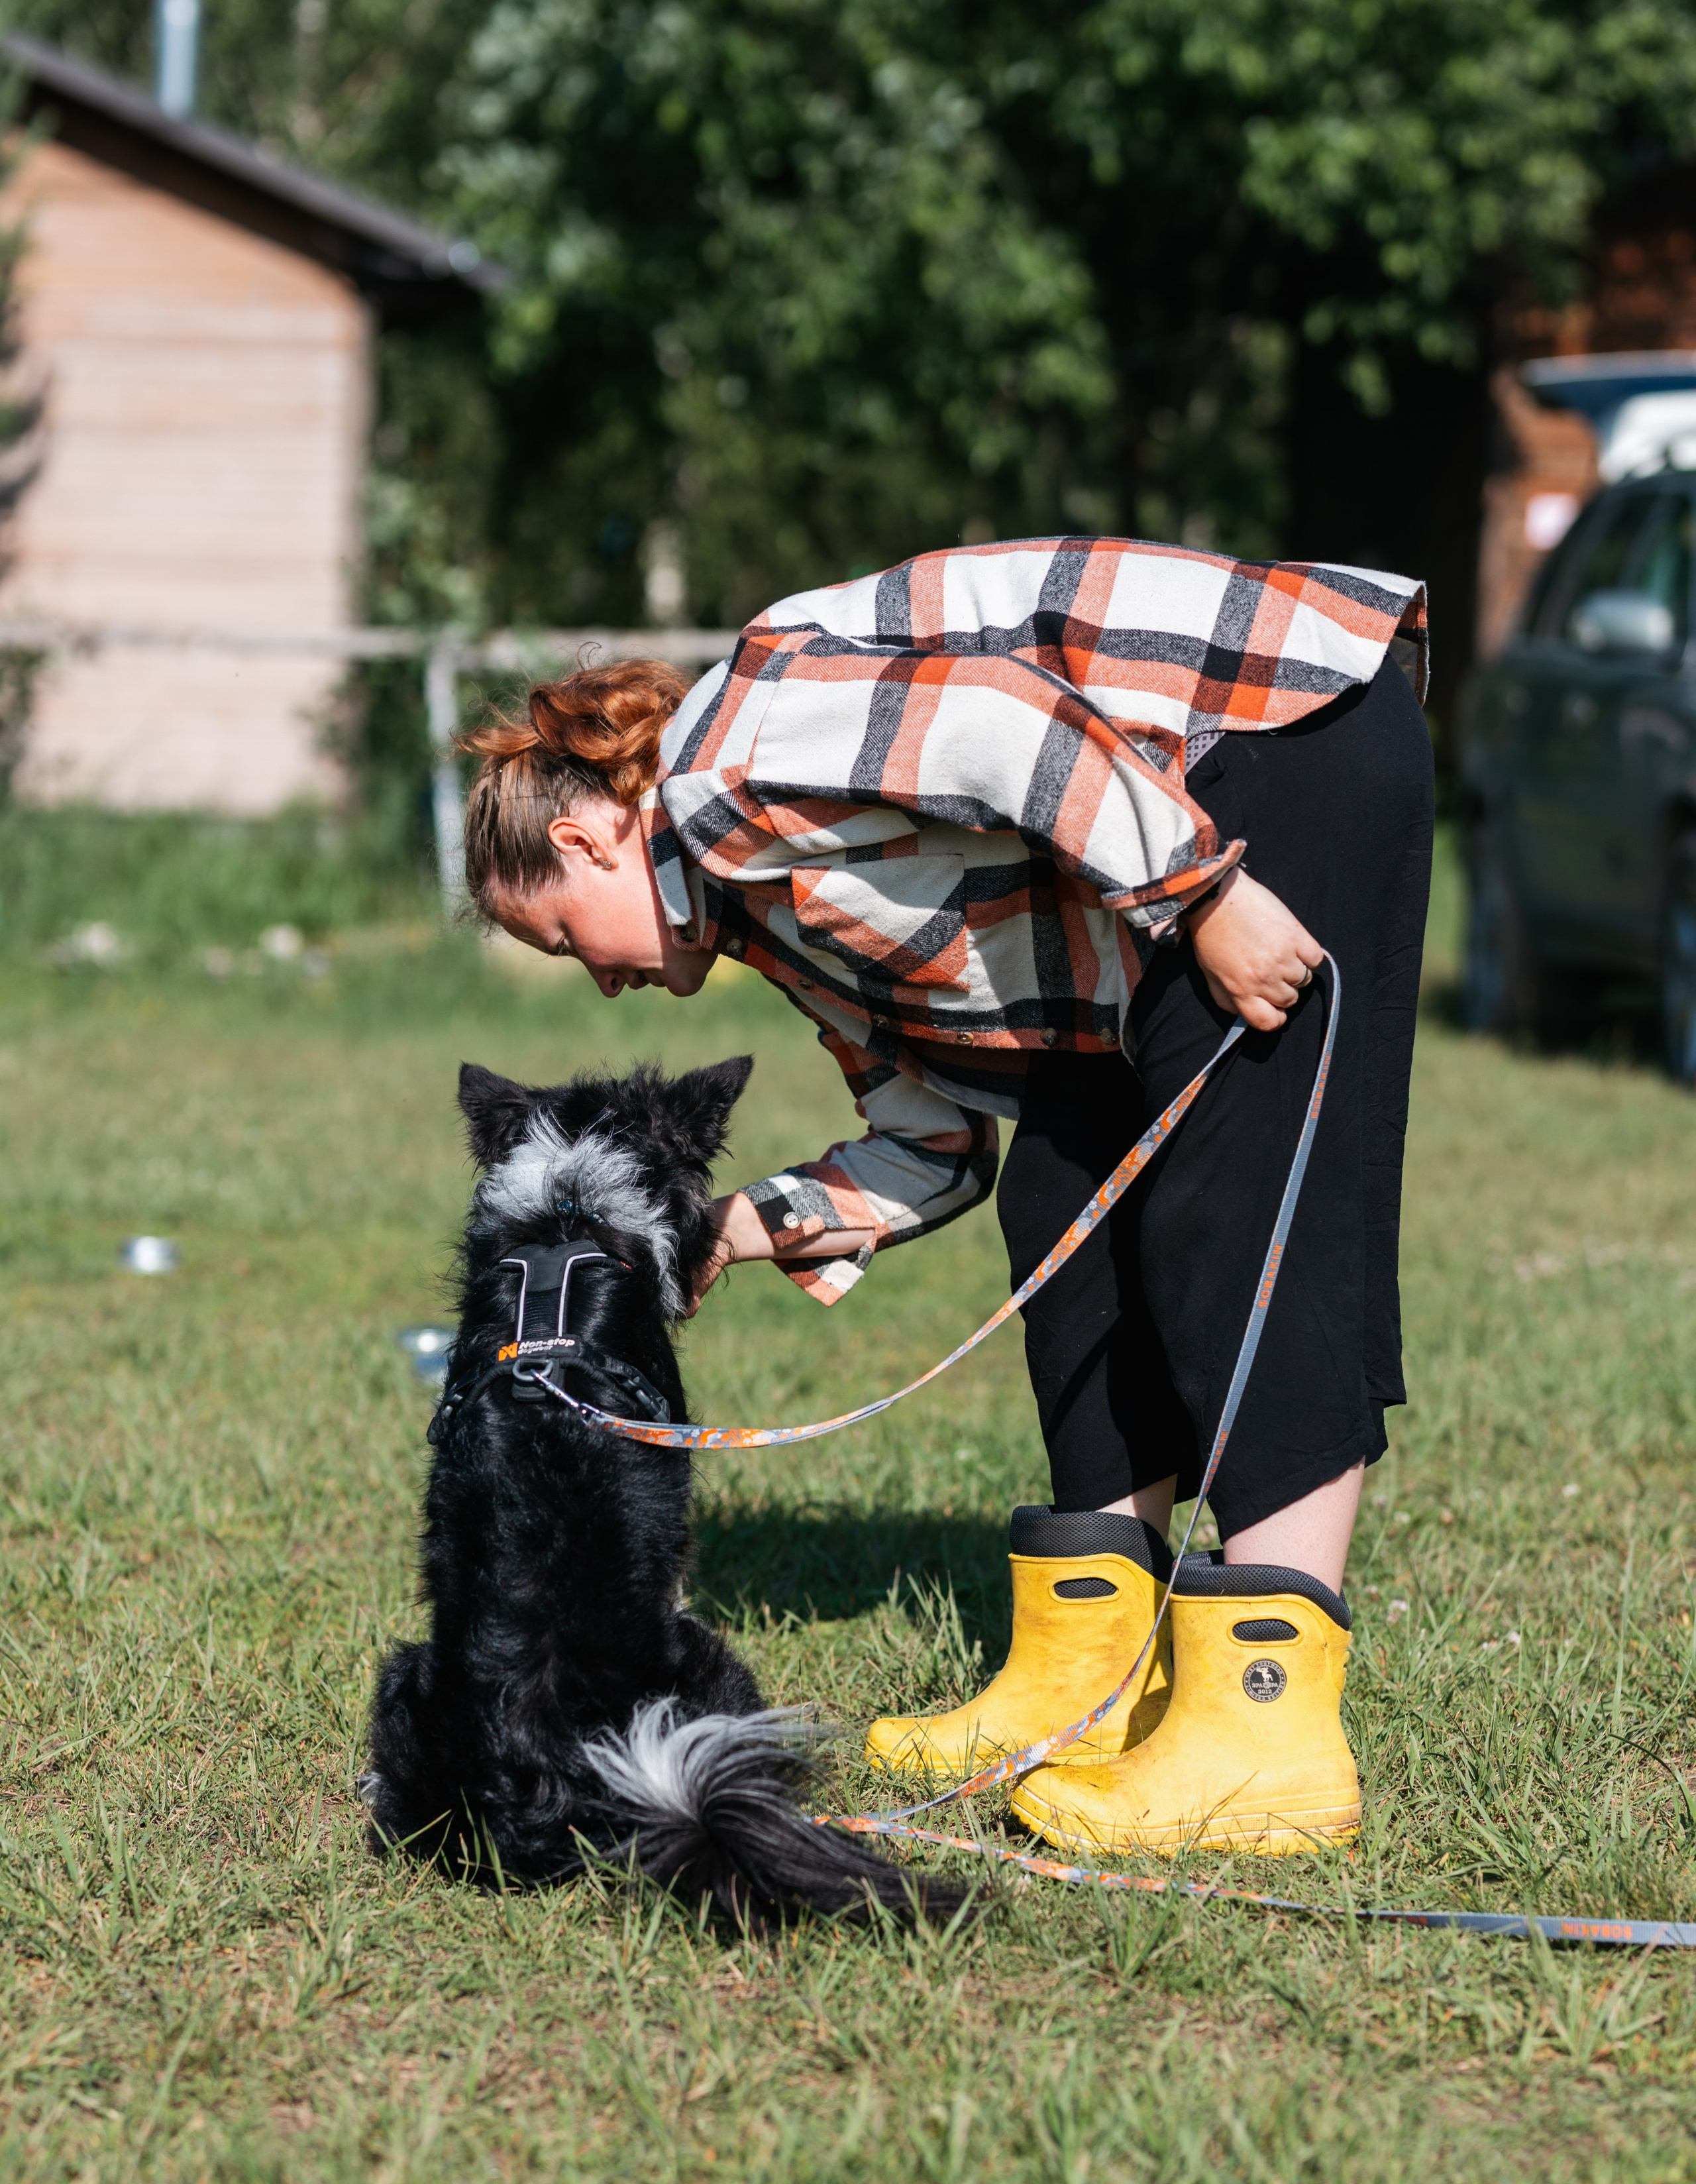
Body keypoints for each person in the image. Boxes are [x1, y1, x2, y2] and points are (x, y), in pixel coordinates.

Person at [462, 537, 1432, 1857]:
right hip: (1140, 874)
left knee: (1244, 1214)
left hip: (1265, 733)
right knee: (1057, 1185)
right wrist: (730, 1233)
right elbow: (934, 1149)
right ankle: (1085, 1674)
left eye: (567, 937)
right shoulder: (760, 913)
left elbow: (1000, 725)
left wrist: (1199, 893)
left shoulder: (723, 765)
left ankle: (1266, 1740)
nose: (597, 981)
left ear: (589, 836)